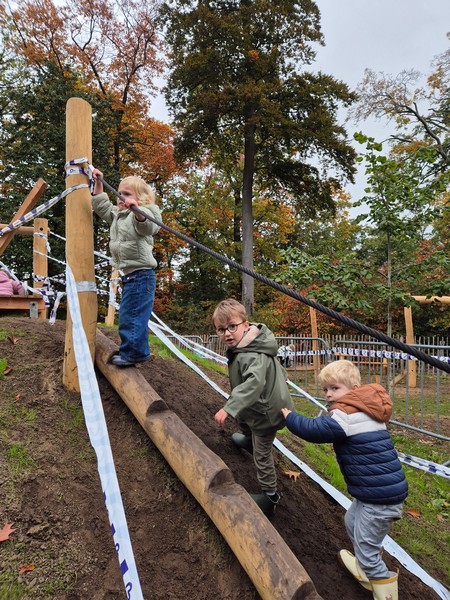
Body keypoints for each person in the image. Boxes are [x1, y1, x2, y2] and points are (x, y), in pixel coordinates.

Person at [281, 360, 407, 600]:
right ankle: (366, 563)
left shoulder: (347, 415)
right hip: (374, 491)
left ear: (354, 389)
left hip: (378, 497)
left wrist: (290, 417)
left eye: (335, 388)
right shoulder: (366, 410)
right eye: (325, 389)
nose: (328, 394)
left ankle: (379, 581)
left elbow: (315, 430)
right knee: (352, 521)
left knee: (367, 547)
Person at [213, 298, 294, 517]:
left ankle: (270, 496)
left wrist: (229, 407)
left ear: (245, 325)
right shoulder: (252, 344)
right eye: (221, 329)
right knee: (243, 418)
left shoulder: (251, 353)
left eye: (232, 326)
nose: (227, 333)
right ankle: (249, 440)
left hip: (267, 412)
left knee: (262, 453)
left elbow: (254, 383)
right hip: (259, 405)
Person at [91, 168, 162, 367]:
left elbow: (148, 226)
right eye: (119, 193)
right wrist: (99, 183)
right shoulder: (118, 216)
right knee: (127, 315)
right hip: (131, 276)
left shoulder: (144, 213)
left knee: (133, 316)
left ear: (141, 198)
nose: (121, 197)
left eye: (127, 194)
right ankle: (132, 351)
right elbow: (101, 206)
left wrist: (137, 211)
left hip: (142, 275)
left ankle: (133, 353)